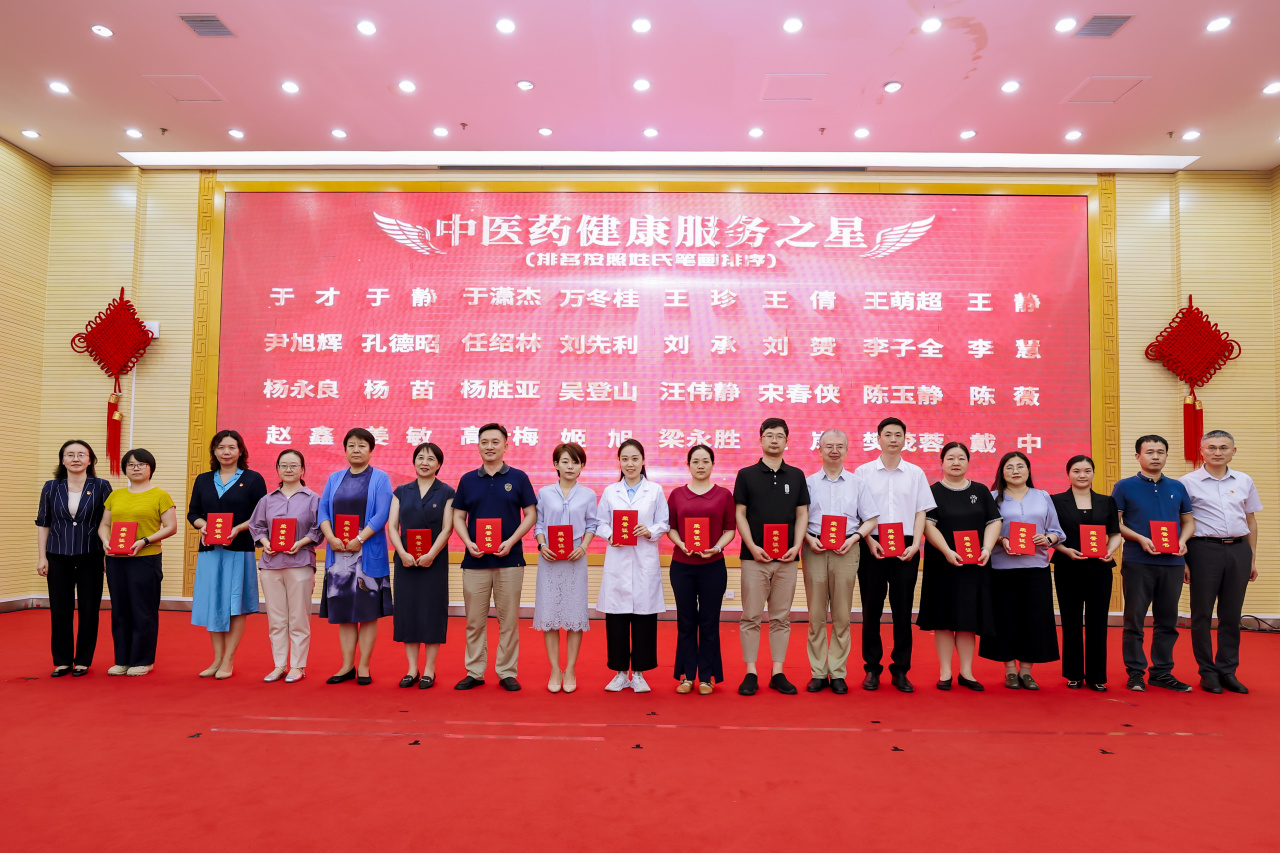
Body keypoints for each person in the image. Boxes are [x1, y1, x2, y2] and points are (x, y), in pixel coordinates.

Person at [451, 423, 537, 692]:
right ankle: (475, 671)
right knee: (474, 621)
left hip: (510, 560)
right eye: (484, 442)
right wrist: (467, 542)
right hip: (475, 561)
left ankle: (507, 671)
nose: (489, 446)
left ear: (506, 446)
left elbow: (531, 514)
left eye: (495, 442)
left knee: (508, 621)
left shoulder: (519, 478)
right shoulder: (467, 480)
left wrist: (512, 541)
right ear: (478, 446)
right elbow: (458, 517)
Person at [853, 417, 936, 693]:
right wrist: (868, 540)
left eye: (898, 434)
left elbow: (921, 511)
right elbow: (858, 513)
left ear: (904, 439)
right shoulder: (863, 472)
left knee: (902, 611)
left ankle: (900, 670)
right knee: (871, 610)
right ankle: (872, 669)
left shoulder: (915, 473)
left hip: (907, 546)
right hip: (872, 544)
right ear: (878, 439)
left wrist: (917, 544)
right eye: (887, 434)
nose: (892, 439)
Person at [1112, 435, 1195, 692]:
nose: (1155, 456)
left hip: (1172, 563)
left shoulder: (1178, 487)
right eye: (1149, 452)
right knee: (1134, 620)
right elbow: (1114, 523)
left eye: (1160, 452)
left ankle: (1162, 672)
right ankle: (1135, 672)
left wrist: (1182, 541)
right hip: (1138, 561)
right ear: (1138, 456)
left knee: (1167, 620)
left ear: (1167, 455)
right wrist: (1140, 538)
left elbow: (1188, 522)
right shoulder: (1124, 486)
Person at [1180, 430, 1262, 694]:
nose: (1218, 452)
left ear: (1233, 451)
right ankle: (1207, 672)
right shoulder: (1187, 483)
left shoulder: (1244, 480)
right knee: (1202, 613)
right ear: (1201, 451)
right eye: (1212, 447)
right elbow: (1179, 523)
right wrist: (1184, 562)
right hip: (1203, 550)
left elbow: (1250, 520)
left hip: (1239, 550)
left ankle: (1227, 670)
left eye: (1223, 448)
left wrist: (1251, 557)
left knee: (1231, 614)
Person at [733, 418, 810, 696]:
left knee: (781, 617)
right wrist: (752, 547)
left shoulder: (797, 475)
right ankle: (751, 672)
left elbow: (802, 513)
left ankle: (778, 672)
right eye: (769, 435)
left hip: (787, 559)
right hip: (753, 558)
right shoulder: (746, 474)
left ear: (787, 441)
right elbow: (740, 514)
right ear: (760, 440)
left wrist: (797, 545)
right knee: (751, 616)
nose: (774, 440)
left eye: (779, 436)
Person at [918, 442, 1002, 691]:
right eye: (950, 458)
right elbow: (928, 525)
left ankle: (966, 672)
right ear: (941, 462)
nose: (956, 462)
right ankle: (945, 672)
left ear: (968, 462)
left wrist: (987, 548)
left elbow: (993, 521)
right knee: (943, 619)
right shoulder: (932, 491)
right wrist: (947, 551)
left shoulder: (980, 490)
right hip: (942, 564)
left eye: (961, 458)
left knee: (968, 618)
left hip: (974, 565)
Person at [801, 430, 879, 694]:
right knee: (816, 615)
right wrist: (808, 539)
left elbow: (871, 518)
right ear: (819, 449)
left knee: (842, 615)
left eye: (839, 446)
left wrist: (855, 538)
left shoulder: (857, 483)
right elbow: (799, 518)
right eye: (829, 446)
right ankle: (817, 672)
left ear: (846, 449)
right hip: (814, 548)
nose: (834, 450)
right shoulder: (808, 483)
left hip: (847, 549)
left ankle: (837, 672)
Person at [979, 451, 1064, 689]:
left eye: (1020, 466)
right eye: (1009, 467)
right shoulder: (992, 498)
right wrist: (1000, 540)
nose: (1015, 471)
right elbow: (984, 531)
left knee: (1034, 620)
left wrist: (1047, 539)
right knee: (1004, 620)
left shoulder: (1043, 496)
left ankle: (1026, 671)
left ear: (1028, 470)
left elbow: (1057, 532)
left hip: (1036, 568)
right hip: (1001, 569)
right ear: (1001, 472)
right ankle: (1009, 671)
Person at [187, 430, 268, 679]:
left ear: (241, 451)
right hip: (210, 550)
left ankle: (229, 659)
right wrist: (203, 526)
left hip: (238, 548)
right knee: (214, 602)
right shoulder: (203, 480)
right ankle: (217, 658)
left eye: (232, 447)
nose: (226, 452)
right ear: (214, 451)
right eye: (221, 447)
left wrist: (238, 528)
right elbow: (193, 513)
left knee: (236, 604)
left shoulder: (253, 479)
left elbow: (261, 514)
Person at [317, 428, 394, 685]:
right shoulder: (334, 478)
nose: (356, 450)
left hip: (367, 556)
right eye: (351, 445)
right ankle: (346, 665)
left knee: (367, 613)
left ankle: (364, 666)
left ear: (371, 450)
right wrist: (331, 538)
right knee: (344, 613)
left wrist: (359, 539)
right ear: (345, 450)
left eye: (362, 445)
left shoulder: (380, 478)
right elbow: (323, 511)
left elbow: (382, 515)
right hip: (339, 556)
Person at [596, 439, 669, 693]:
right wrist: (610, 535)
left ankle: (638, 674)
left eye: (635, 458)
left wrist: (649, 531)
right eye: (625, 459)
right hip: (618, 560)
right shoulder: (610, 491)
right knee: (616, 620)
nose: (630, 464)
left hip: (644, 560)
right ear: (619, 462)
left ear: (643, 461)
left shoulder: (655, 490)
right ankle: (619, 673)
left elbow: (664, 522)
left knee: (644, 620)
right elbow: (600, 522)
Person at [35, 440, 113, 677]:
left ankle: (83, 661)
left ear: (90, 460)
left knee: (89, 609)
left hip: (91, 555)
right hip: (58, 555)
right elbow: (43, 523)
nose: (75, 459)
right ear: (62, 460)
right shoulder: (51, 487)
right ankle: (62, 661)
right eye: (70, 454)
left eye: (81, 454)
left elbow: (109, 522)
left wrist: (108, 554)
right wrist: (42, 557)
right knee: (60, 609)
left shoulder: (101, 486)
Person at [97, 449, 177, 676]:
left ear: (151, 468)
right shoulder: (116, 495)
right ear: (125, 469)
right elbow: (105, 524)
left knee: (143, 610)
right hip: (116, 559)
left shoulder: (160, 495)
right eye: (131, 464)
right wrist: (104, 540)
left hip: (145, 559)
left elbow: (171, 527)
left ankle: (143, 660)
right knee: (120, 609)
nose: (136, 468)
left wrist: (145, 540)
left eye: (142, 464)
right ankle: (122, 659)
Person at [666, 444, 736, 694]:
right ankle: (686, 676)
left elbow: (730, 530)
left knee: (709, 622)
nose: (700, 465)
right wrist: (681, 544)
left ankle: (706, 677)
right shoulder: (677, 495)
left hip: (712, 567)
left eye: (705, 461)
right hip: (682, 566)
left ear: (713, 465)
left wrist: (716, 548)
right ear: (688, 465)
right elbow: (671, 528)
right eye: (695, 461)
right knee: (685, 622)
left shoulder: (724, 495)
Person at [1051, 455, 1122, 691]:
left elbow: (1115, 533)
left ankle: (1096, 676)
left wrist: (1110, 551)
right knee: (1070, 620)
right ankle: (1073, 673)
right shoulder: (1055, 501)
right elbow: (1050, 534)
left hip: (1099, 569)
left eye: (1087, 471)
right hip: (1067, 567)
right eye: (1076, 471)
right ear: (1068, 474)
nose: (1082, 475)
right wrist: (1065, 550)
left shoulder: (1106, 501)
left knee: (1097, 622)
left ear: (1093, 473)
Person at [249, 448, 320, 683]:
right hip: (271, 564)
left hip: (300, 563)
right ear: (277, 469)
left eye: (293, 465)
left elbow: (318, 528)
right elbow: (256, 526)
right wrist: (265, 542)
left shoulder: (313, 498)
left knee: (299, 618)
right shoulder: (267, 500)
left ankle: (298, 666)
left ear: (303, 469)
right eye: (284, 465)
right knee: (277, 619)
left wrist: (301, 543)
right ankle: (279, 664)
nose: (288, 469)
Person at [387, 442, 456, 689]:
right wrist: (402, 553)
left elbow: (447, 528)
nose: (424, 463)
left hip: (433, 562)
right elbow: (392, 526)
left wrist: (431, 555)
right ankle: (411, 669)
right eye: (420, 458)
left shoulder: (447, 492)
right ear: (414, 461)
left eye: (430, 459)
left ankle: (429, 669)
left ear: (439, 464)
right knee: (408, 612)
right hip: (406, 560)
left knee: (431, 611)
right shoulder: (401, 491)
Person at [533, 442, 598, 694]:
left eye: (576, 462)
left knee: (574, 618)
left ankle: (570, 669)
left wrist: (583, 547)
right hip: (549, 559)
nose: (570, 466)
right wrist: (542, 546)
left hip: (575, 559)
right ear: (556, 465)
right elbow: (539, 524)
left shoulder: (588, 494)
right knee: (550, 617)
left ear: (582, 466)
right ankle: (554, 669)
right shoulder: (544, 493)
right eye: (565, 461)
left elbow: (592, 525)